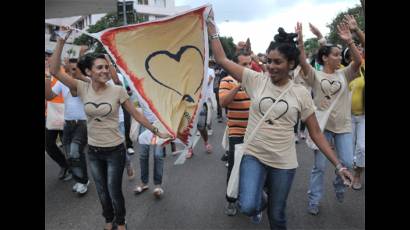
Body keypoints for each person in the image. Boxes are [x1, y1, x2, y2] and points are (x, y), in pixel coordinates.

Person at [207, 11, 353, 229]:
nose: (271, 66)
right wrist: (213, 31)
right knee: (247, 205)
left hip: (284, 162)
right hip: (254, 154)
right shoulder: (255, 80)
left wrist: (339, 165)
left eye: (277, 62)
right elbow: (222, 59)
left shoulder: (300, 93)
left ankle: (271, 204)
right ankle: (262, 199)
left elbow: (315, 132)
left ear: (291, 64)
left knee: (277, 215)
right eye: (269, 61)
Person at [49, 27, 171, 230]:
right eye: (100, 67)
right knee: (102, 191)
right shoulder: (81, 87)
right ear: (88, 71)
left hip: (115, 150)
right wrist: (62, 39)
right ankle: (108, 219)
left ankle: (121, 222)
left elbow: (136, 114)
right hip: (94, 151)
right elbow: (54, 71)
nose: (105, 70)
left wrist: (158, 130)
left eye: (107, 67)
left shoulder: (117, 90)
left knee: (114, 191)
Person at [295, 21, 362, 216]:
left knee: (348, 163)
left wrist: (350, 42)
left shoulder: (345, 73)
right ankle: (314, 199)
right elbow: (302, 62)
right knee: (319, 167)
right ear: (324, 58)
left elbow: (358, 62)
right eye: (334, 54)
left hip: (343, 127)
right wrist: (300, 42)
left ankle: (339, 185)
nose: (338, 57)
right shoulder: (315, 75)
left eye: (339, 54)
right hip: (322, 129)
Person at [46, 57, 90, 195]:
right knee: (71, 155)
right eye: (69, 69)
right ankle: (81, 179)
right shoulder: (61, 82)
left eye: (74, 69)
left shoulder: (86, 82)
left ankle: (83, 181)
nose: (71, 72)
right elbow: (49, 96)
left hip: (82, 123)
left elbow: (74, 91)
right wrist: (47, 78)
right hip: (68, 123)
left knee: (75, 151)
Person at [218, 50, 251, 216]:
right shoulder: (227, 80)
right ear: (234, 65)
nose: (248, 67)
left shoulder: (255, 80)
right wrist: (238, 86)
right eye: (244, 64)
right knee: (234, 166)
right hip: (236, 131)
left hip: (255, 132)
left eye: (249, 63)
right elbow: (223, 102)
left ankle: (253, 197)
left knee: (255, 166)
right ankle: (231, 200)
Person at [45, 49, 71, 182]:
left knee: (67, 144)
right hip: (50, 114)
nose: (46, 59)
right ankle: (64, 164)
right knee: (48, 144)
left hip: (66, 113)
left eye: (48, 56)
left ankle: (75, 169)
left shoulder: (62, 71)